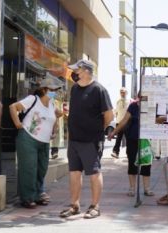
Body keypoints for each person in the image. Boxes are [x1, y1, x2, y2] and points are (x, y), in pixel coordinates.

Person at [60, 59, 113, 219]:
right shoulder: (75, 89)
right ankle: (74, 205)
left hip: (91, 140)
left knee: (94, 172)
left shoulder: (99, 90)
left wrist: (97, 130)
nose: (74, 73)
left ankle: (95, 206)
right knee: (74, 173)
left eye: (77, 70)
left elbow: (109, 116)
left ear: (86, 71)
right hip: (74, 140)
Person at [9, 77, 62, 208]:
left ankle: (38, 194)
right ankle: (27, 198)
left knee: (41, 169)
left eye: (56, 90)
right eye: (52, 90)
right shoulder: (32, 100)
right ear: (43, 89)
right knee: (29, 169)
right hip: (28, 138)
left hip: (44, 141)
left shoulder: (52, 104)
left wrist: (54, 131)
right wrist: (17, 124)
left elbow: (55, 117)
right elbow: (13, 107)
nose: (54, 92)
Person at [107, 92, 154, 197]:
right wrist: (114, 132)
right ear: (139, 97)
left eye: (145, 97)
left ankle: (147, 188)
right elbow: (124, 121)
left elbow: (157, 120)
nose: (143, 99)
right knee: (132, 163)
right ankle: (132, 188)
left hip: (146, 139)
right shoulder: (133, 106)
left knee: (146, 164)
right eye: (141, 97)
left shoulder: (152, 107)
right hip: (132, 138)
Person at [111, 88, 129, 159]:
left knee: (128, 139)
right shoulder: (118, 101)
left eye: (124, 92)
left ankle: (129, 154)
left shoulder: (130, 101)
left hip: (127, 123)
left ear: (126, 93)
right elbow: (116, 111)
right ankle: (116, 152)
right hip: (119, 123)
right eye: (121, 92)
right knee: (118, 138)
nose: (122, 93)